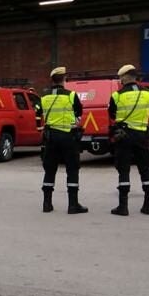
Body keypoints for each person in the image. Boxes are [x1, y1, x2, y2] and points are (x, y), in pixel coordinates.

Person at [35, 67, 88, 214]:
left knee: (50, 169)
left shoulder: (44, 96)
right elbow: (79, 113)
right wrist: (73, 123)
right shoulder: (71, 95)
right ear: (64, 80)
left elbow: (37, 113)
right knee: (72, 169)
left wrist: (40, 130)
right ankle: (73, 205)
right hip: (68, 137)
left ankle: (47, 203)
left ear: (52, 80)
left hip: (50, 137)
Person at [107, 65, 149, 216]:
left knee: (123, 169)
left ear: (126, 77)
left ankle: (123, 206)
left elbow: (112, 114)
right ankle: (148, 205)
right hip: (142, 135)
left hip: (124, 135)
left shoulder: (117, 95)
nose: (120, 79)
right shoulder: (148, 93)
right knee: (145, 168)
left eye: (121, 77)